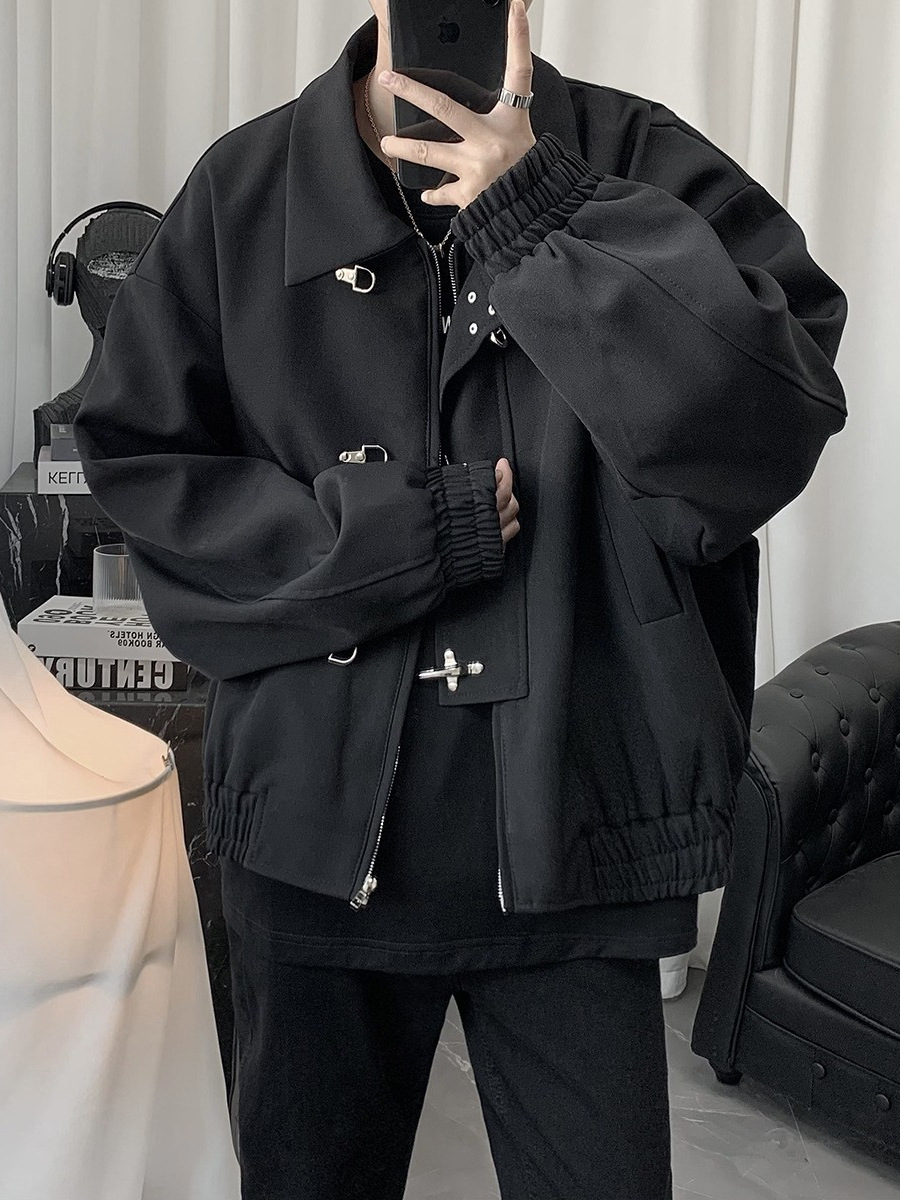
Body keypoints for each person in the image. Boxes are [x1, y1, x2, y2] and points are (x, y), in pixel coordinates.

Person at [72, 1, 849, 1196]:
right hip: (313, 832)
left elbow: (766, 427)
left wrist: (540, 210)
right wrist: (401, 537)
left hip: (582, 830)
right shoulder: (247, 189)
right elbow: (147, 469)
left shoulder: (639, 159)